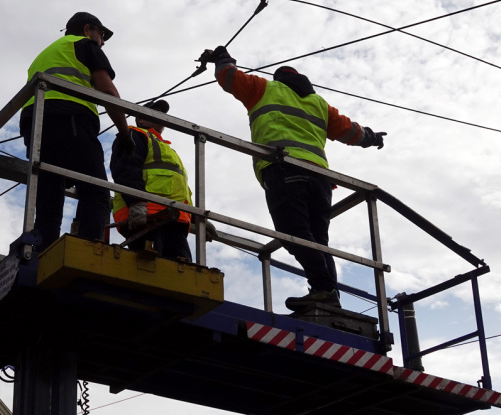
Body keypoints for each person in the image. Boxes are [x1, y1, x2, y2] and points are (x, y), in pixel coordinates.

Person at [209, 46, 386, 310]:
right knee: (319, 241)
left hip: (285, 168)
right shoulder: (319, 104)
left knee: (294, 234)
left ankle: (324, 288)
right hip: (321, 179)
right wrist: (372, 138)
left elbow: (229, 77)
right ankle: (328, 295)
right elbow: (351, 131)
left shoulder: (266, 88)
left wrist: (222, 57)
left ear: (279, 79)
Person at [20, 12, 134, 251]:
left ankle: (43, 255)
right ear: (87, 29)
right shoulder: (84, 45)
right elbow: (108, 92)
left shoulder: (44, 54)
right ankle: (87, 253)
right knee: (97, 192)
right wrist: (124, 133)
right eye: (101, 35)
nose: (102, 42)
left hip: (35, 124)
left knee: (49, 197)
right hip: (69, 117)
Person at [110, 100, 194, 261]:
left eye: (162, 113)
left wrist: (196, 217)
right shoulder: (135, 134)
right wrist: (136, 202)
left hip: (171, 218)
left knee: (181, 271)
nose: (160, 115)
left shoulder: (166, 147)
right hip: (145, 216)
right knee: (151, 268)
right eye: (155, 111)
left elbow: (179, 188)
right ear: (141, 119)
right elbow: (126, 168)